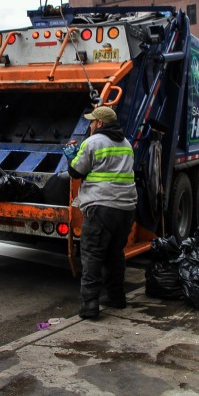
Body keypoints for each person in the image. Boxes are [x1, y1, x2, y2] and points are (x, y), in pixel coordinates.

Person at [63, 106, 137, 319]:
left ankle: (90, 306)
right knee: (115, 254)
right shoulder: (126, 144)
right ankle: (116, 297)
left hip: (101, 208)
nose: (90, 125)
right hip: (126, 209)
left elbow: (76, 172)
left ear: (101, 124)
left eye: (93, 122)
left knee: (92, 255)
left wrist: (71, 157)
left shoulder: (92, 143)